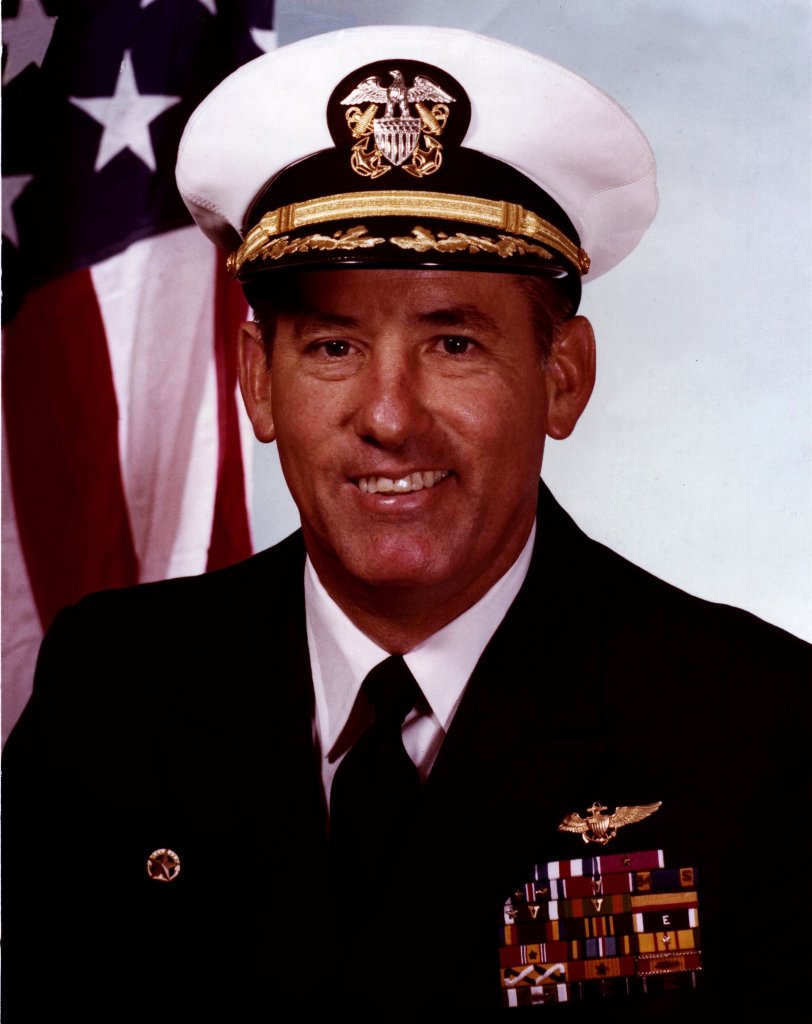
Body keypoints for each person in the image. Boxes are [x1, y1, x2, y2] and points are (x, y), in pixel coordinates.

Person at [3, 25, 809, 1022]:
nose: (388, 417)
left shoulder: (756, 726)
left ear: (562, 378)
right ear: (258, 382)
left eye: (453, 343)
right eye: (332, 346)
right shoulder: (112, 693)